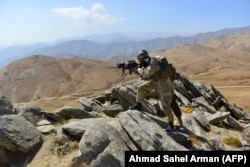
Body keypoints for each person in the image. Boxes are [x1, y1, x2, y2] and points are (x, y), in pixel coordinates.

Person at [130, 49, 183, 130]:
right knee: (141, 88)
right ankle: (139, 104)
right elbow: (149, 75)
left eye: (139, 59)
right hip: (157, 82)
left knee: (166, 104)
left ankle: (171, 124)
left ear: (143, 57)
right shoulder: (149, 62)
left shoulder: (152, 62)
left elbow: (146, 74)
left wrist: (138, 69)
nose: (139, 60)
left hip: (164, 85)